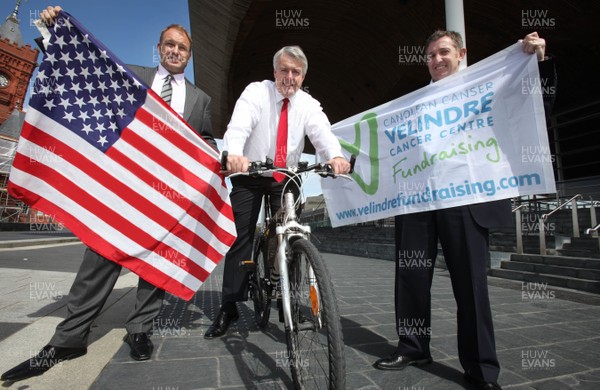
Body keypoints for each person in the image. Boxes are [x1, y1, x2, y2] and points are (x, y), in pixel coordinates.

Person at [1, 6, 217, 382]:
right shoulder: (133, 76)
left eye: (183, 47)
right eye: (169, 44)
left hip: (167, 200)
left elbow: (207, 142)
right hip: (121, 189)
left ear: (189, 54)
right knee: (98, 260)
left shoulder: (201, 100)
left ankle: (140, 330)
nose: (175, 51)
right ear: (159, 48)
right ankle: (69, 337)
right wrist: (54, 31)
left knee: (155, 267)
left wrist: (217, 158)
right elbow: (88, 78)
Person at [372, 31, 556, 390]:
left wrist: (538, 63)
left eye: (444, 52)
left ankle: (481, 369)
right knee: (410, 279)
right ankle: (412, 347)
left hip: (465, 201)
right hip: (417, 201)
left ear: (461, 53)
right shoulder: (412, 102)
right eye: (430, 55)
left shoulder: (487, 89)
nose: (437, 59)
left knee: (471, 287)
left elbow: (531, 108)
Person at [204, 45, 351, 339]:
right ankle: (230, 305)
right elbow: (239, 125)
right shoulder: (257, 93)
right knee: (241, 236)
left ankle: (288, 297)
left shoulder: (307, 103)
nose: (289, 77)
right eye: (284, 70)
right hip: (250, 172)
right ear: (274, 72)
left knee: (291, 232)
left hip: (285, 175)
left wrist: (335, 156)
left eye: (296, 72)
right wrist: (233, 153)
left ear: (303, 76)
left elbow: (322, 132)